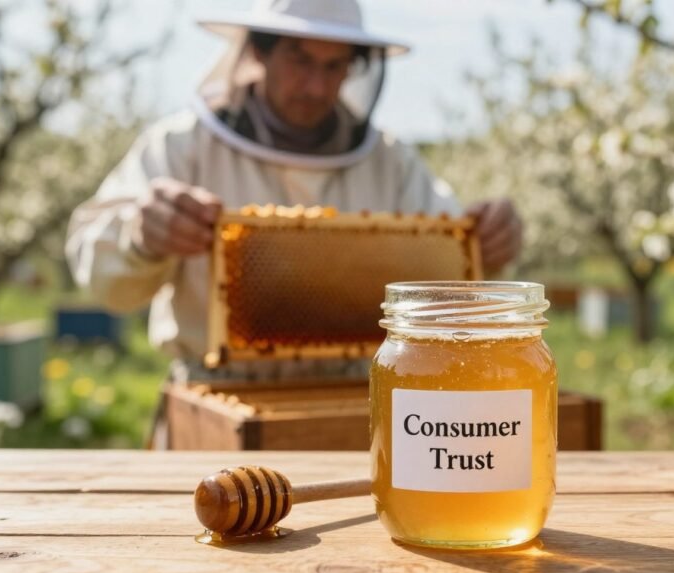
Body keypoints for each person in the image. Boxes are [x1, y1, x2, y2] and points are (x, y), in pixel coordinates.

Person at [65, 0, 523, 384]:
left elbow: (451, 283)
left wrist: (491, 247)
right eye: (300, 60)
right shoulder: (180, 146)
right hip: (218, 392)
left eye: (334, 66)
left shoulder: (390, 161)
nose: (316, 86)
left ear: (354, 69)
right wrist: (140, 235)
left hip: (352, 399)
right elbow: (106, 284)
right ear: (258, 54)